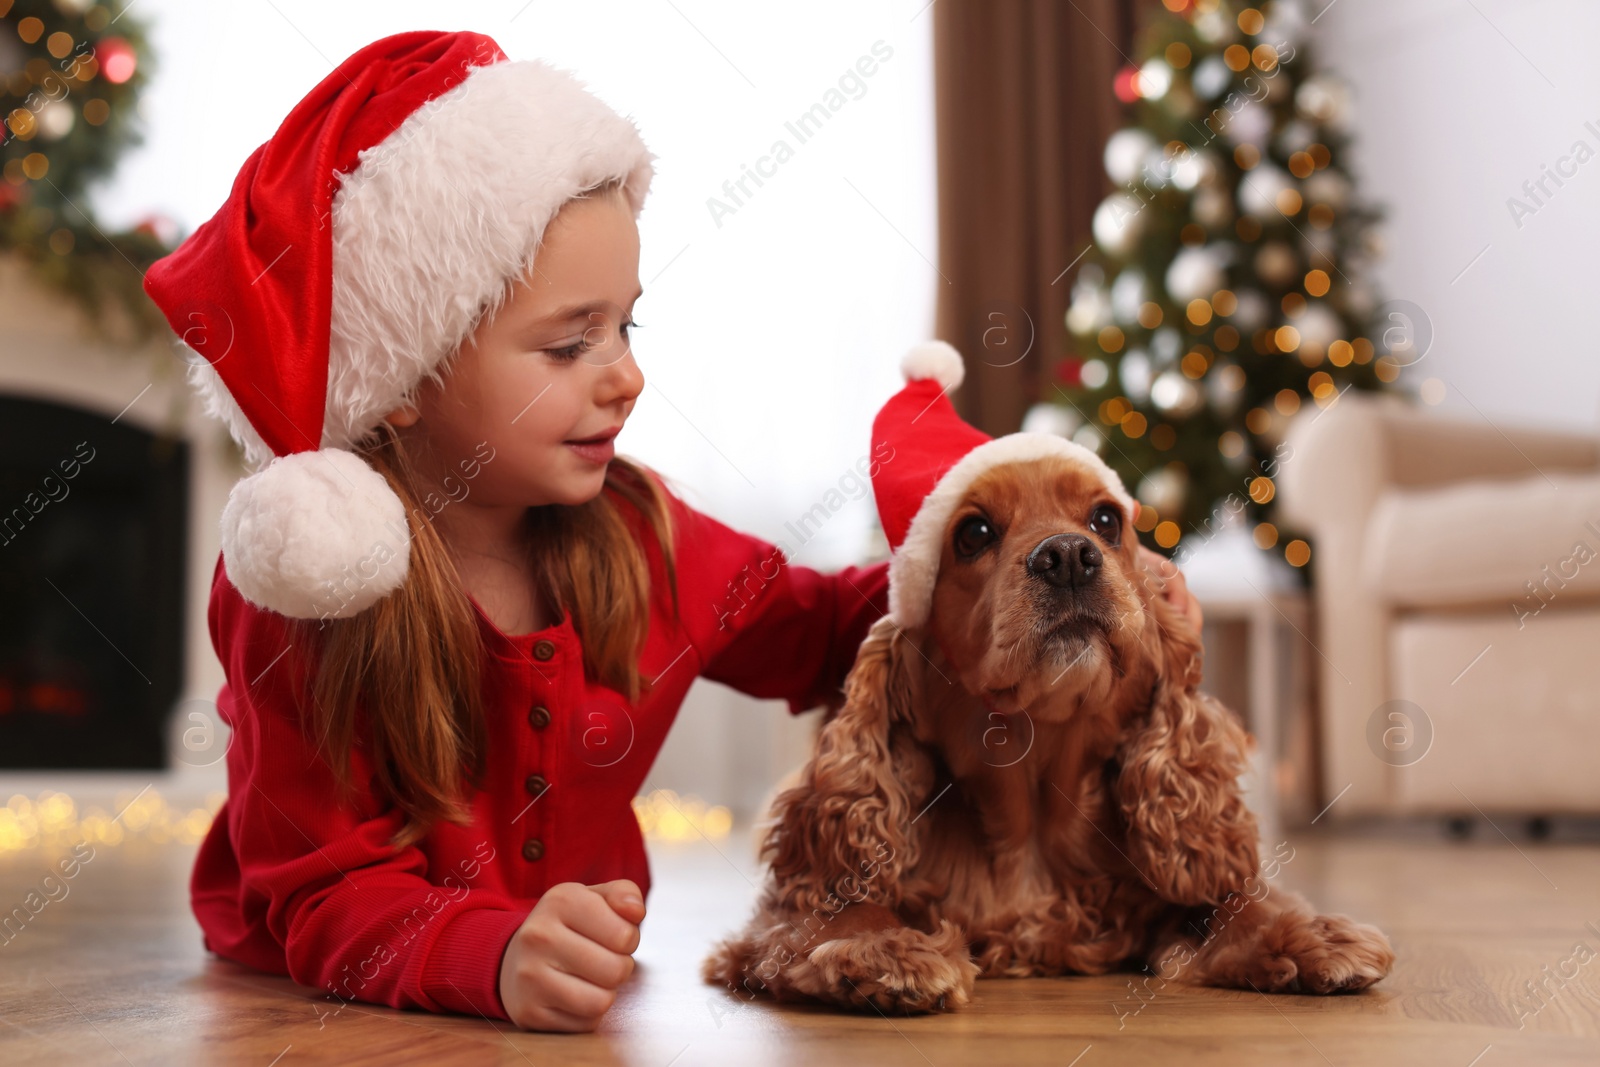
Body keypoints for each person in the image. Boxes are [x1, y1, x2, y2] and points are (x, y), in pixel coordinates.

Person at [143, 30, 1200, 1033]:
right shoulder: (305, 590)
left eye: (626, 323)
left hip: (578, 972)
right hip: (308, 986)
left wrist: (1068, 580)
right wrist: (488, 953)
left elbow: (824, 628)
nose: (626, 375)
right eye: (569, 344)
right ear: (404, 376)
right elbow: (327, 890)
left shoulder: (637, 533)